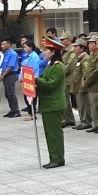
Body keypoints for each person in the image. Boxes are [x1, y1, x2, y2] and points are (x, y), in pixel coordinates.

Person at [34, 36, 68, 168]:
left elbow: (50, 84)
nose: (44, 52)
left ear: (54, 52)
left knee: (55, 133)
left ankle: (58, 158)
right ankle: (53, 157)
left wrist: (35, 78)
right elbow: (43, 82)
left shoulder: (58, 66)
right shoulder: (50, 65)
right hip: (47, 103)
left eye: (46, 50)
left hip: (54, 103)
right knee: (49, 133)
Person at [81, 34, 98, 133]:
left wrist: (87, 81)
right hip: (90, 84)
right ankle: (96, 124)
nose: (89, 45)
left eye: (92, 43)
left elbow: (97, 71)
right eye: (89, 43)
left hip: (96, 83)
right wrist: (84, 78)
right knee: (93, 106)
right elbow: (87, 69)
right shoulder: (91, 55)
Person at [0, 38, 21, 118]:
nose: (2, 46)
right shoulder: (4, 54)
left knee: (11, 93)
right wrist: (1, 74)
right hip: (5, 75)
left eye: (4, 44)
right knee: (7, 94)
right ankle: (12, 110)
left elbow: (10, 66)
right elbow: (3, 66)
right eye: (1, 44)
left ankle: (16, 110)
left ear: (9, 45)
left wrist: (3, 75)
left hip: (11, 75)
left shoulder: (12, 54)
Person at [20, 41, 43, 119]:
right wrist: (20, 76)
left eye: (25, 47)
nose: (24, 49)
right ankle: (30, 113)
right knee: (26, 96)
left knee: (31, 96)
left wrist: (24, 77)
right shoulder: (27, 55)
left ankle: (32, 114)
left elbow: (31, 69)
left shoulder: (34, 56)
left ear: (30, 47)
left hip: (31, 78)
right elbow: (22, 67)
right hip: (25, 78)